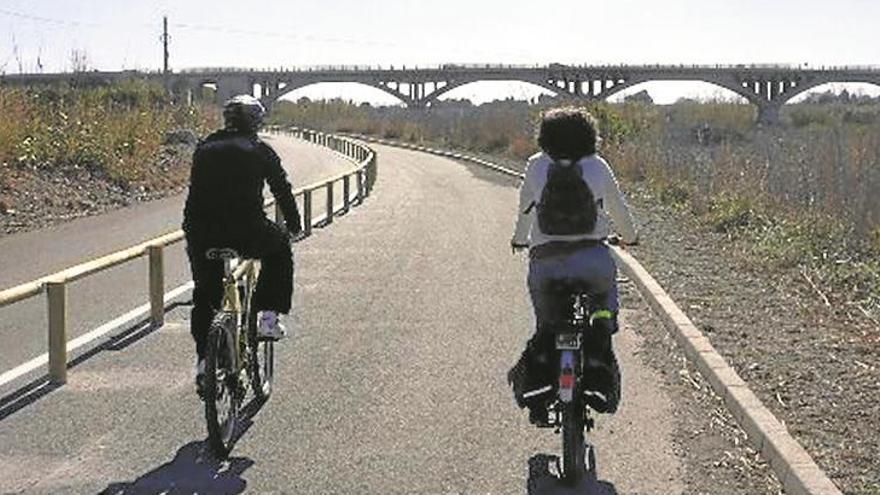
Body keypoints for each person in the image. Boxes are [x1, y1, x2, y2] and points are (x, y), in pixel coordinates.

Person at [508, 106, 638, 424]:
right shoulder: (597, 165)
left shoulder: (536, 165)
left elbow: (526, 210)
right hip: (592, 260)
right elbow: (618, 208)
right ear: (589, 135)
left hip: (546, 263)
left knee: (547, 325)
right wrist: (630, 237)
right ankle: (598, 357)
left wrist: (519, 239)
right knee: (603, 311)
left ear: (545, 136)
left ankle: (541, 390)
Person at [183, 94, 302, 393]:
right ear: (255, 122)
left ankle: (203, 362)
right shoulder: (260, 149)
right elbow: (282, 190)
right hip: (246, 230)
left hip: (201, 233)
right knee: (280, 249)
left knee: (205, 295)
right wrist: (295, 226)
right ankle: (269, 318)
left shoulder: (204, 147)